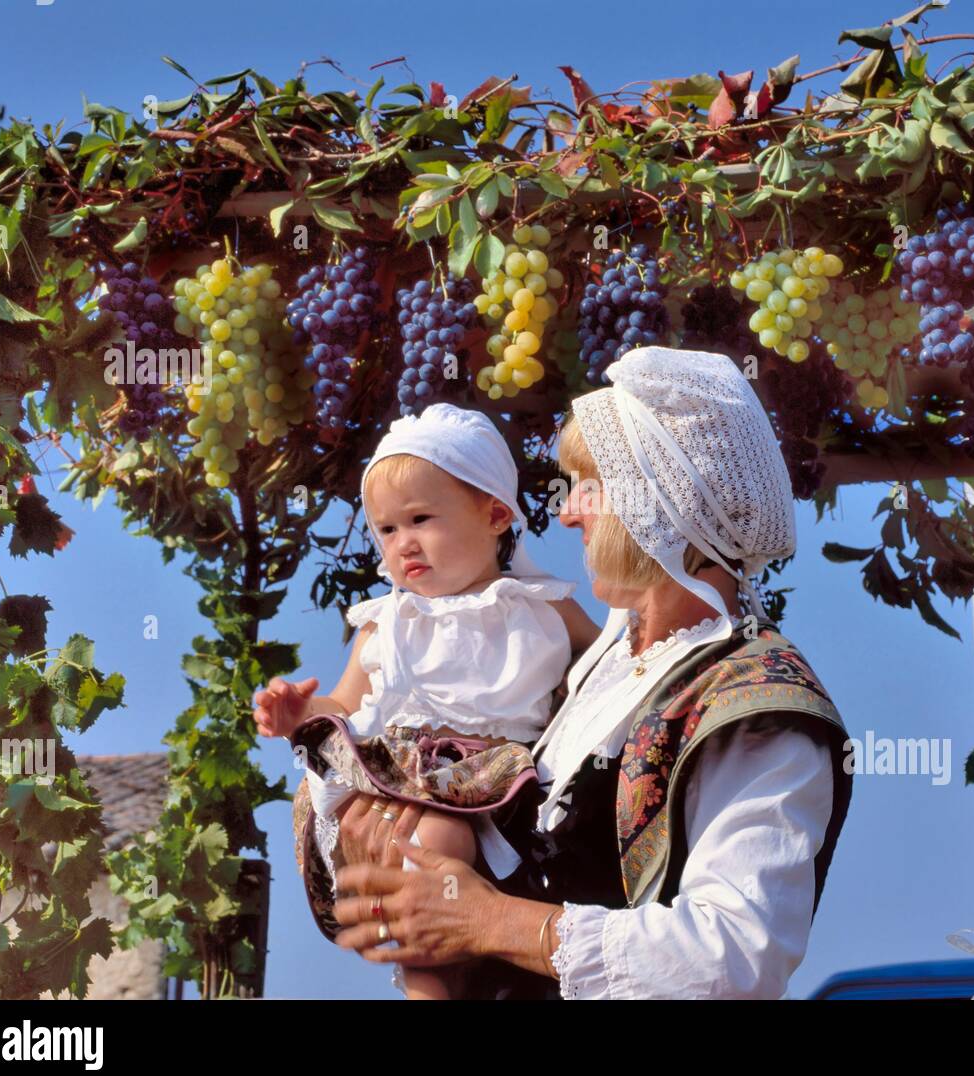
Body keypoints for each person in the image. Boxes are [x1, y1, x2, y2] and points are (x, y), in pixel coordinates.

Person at [332, 347, 854, 999]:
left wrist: (488, 920)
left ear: (662, 503)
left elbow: (734, 960)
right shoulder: (603, 666)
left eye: (588, 486)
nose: (570, 512)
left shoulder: (755, 704)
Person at [254, 402, 597, 999]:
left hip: (492, 781)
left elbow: (611, 663)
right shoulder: (387, 621)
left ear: (494, 514)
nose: (402, 543)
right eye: (386, 530)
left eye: (420, 519)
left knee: (437, 856)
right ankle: (427, 990)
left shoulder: (542, 605)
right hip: (396, 778)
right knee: (426, 856)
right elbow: (343, 704)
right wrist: (296, 714)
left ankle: (453, 974)